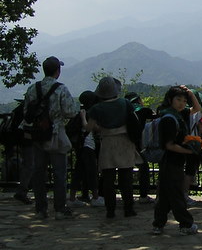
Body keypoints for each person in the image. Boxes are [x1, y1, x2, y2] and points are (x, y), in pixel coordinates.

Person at [21, 56, 80, 219]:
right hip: (56, 134)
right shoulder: (61, 89)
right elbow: (71, 111)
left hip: (37, 135)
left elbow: (26, 111)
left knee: (39, 172)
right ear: (57, 71)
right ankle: (60, 209)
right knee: (59, 172)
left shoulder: (33, 88)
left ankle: (41, 209)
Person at [86, 77, 142, 219]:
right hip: (125, 141)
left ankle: (110, 210)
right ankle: (128, 209)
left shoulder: (96, 109)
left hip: (107, 143)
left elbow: (89, 128)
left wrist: (83, 119)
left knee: (108, 179)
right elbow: (134, 122)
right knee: (126, 178)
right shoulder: (125, 103)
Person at [152, 86, 199, 235]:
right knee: (176, 194)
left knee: (165, 195)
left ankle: (158, 224)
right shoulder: (169, 119)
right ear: (170, 99)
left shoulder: (178, 115)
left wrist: (190, 93)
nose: (182, 103)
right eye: (178, 99)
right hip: (171, 160)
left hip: (172, 161)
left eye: (184, 101)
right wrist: (189, 151)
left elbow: (197, 108)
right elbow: (169, 145)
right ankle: (186, 223)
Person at [124, 92, 156, 204]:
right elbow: (155, 116)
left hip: (121, 143)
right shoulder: (143, 110)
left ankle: (122, 196)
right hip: (137, 145)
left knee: (123, 170)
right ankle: (143, 195)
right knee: (144, 168)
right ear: (138, 100)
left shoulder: (123, 110)